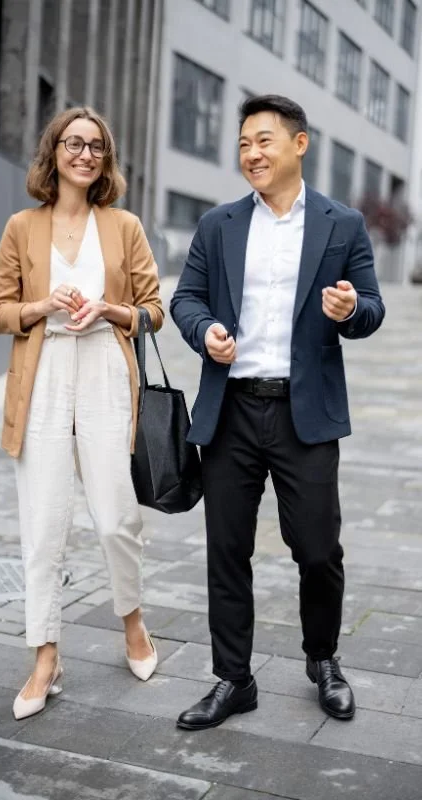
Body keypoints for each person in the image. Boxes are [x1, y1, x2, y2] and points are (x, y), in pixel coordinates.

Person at [170, 95, 385, 730]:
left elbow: (371, 305)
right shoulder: (219, 225)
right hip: (232, 408)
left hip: (305, 414)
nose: (251, 154)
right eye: (242, 144)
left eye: (263, 141)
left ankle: (323, 659)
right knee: (226, 549)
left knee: (318, 549)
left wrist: (351, 311)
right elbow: (185, 298)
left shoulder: (340, 224)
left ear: (299, 144)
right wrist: (205, 329)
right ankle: (233, 679)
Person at [0, 106, 163, 720]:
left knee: (116, 516)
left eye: (96, 145)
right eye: (73, 143)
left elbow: (153, 310)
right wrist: (41, 305)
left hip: (105, 371)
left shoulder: (123, 226)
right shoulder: (21, 226)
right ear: (54, 151)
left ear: (105, 159)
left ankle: (133, 623)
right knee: (44, 523)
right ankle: (45, 655)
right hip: (43, 373)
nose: (85, 153)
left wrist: (111, 310)